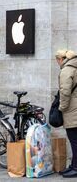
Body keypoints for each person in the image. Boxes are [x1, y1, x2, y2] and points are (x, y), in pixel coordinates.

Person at [55, 49, 77, 178]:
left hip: (72, 110)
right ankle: (73, 165)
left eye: (57, 60)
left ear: (61, 59)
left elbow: (65, 91)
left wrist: (62, 108)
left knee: (74, 140)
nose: (58, 63)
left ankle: (75, 167)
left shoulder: (67, 70)